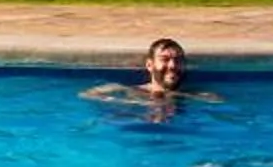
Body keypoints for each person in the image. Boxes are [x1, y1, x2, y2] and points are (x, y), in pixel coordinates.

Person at [82, 36, 217, 116]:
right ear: (149, 65)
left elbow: (216, 101)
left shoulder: (195, 95)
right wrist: (130, 102)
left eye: (178, 60)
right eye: (165, 59)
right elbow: (87, 94)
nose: (172, 65)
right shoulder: (132, 91)